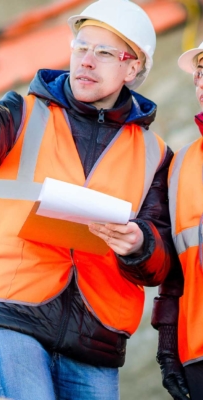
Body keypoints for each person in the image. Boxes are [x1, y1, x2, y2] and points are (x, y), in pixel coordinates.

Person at [0, 0, 176, 398]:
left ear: (133, 67)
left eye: (104, 52)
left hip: (96, 333)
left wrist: (140, 245)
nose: (87, 61)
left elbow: (159, 263)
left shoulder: (155, 155)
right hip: (15, 309)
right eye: (81, 47)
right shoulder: (26, 114)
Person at [152, 41, 203, 400]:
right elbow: (174, 275)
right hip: (198, 354)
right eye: (199, 73)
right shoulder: (182, 165)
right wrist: (168, 345)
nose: (200, 82)